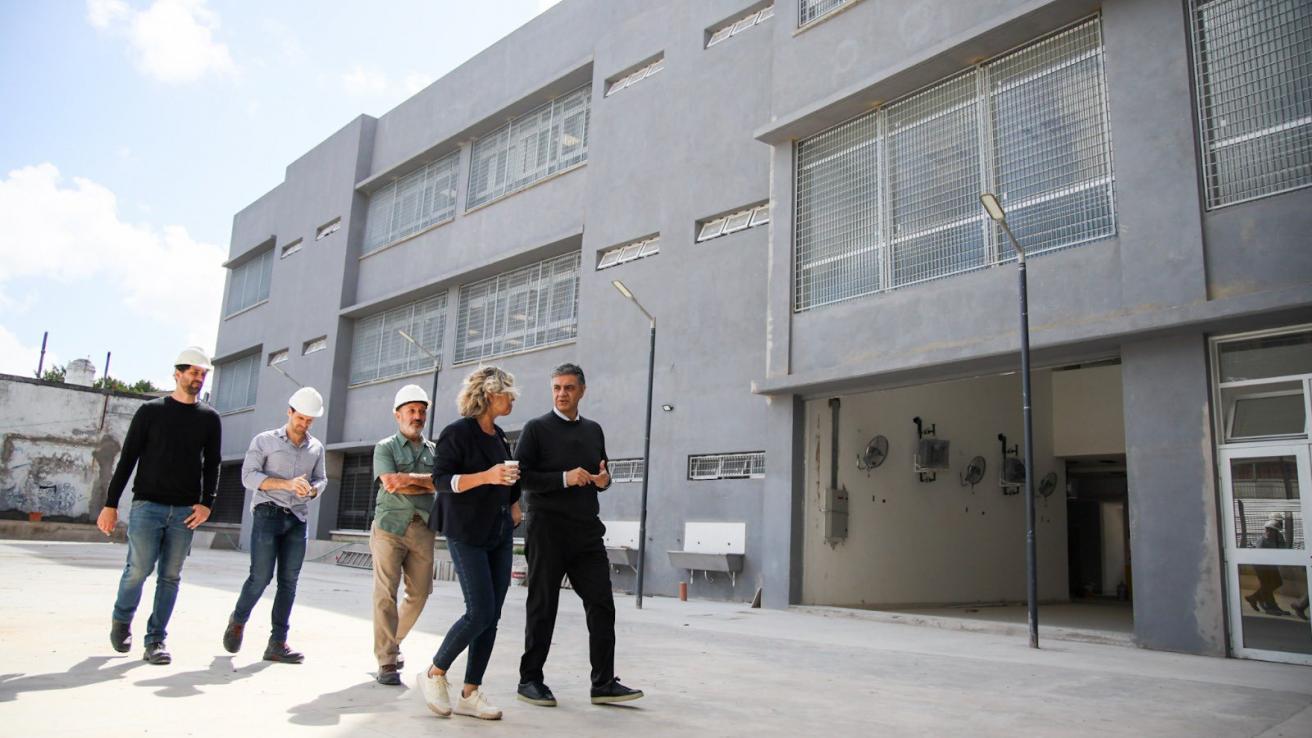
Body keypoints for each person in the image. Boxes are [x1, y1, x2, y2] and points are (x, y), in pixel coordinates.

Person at [515, 363, 643, 707]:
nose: (562, 393)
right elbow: (521, 477)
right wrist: (563, 478)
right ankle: (530, 680)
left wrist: (604, 481)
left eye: (569, 387)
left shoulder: (594, 430)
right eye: (556, 387)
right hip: (547, 531)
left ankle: (602, 683)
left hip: (586, 533)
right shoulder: (536, 429)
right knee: (543, 605)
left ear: (582, 390)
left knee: (602, 604)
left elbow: (602, 473)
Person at [97, 346, 222, 665]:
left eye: (202, 373)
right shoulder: (150, 411)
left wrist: (207, 504)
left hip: (185, 512)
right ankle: (121, 620)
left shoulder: (209, 418)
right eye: (193, 371)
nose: (198, 378)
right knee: (138, 570)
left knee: (170, 576)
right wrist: (110, 504)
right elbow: (127, 460)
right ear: (177, 373)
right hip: (147, 507)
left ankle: (155, 640)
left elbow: (213, 464)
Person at [419, 366, 523, 721]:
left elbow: (506, 479)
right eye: (507, 393)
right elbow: (440, 480)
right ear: (490, 394)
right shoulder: (457, 433)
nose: (512, 399)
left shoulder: (499, 436)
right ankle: (434, 672)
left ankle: (470, 692)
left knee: (491, 616)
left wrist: (514, 501)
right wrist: (487, 477)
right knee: (479, 610)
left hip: (499, 531)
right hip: (465, 531)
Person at [222, 387, 327, 664]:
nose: (303, 424)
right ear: (289, 412)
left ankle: (277, 643)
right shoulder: (265, 441)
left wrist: (312, 491)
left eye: (309, 420)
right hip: (267, 514)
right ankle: (238, 621)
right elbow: (248, 476)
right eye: (300, 418)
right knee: (260, 577)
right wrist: (286, 484)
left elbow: (322, 479)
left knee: (289, 582)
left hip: (298, 519)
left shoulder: (316, 447)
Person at [370, 384, 439, 685]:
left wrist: (409, 479)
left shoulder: (435, 451)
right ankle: (386, 661)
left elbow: (441, 483)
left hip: (422, 528)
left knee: (421, 593)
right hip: (389, 528)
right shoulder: (385, 447)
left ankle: (393, 641)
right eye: (411, 410)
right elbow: (390, 483)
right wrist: (425, 484)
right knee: (386, 593)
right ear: (397, 415)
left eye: (422, 411)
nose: (417, 416)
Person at [1246, 519, 1289, 616]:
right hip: (1261, 565)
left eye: (1271, 530)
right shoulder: (1262, 541)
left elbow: (1283, 549)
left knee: (1277, 582)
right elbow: (1258, 556)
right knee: (1266, 585)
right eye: (1267, 529)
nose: (1268, 532)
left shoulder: (1279, 537)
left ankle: (1254, 597)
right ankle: (1270, 607)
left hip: (1271, 564)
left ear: (1276, 531)